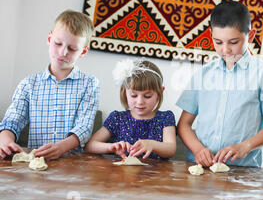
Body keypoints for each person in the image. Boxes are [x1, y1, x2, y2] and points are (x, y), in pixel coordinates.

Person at [176, 0, 263, 167]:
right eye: (218, 42)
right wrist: (198, 149)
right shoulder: (203, 74)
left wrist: (245, 147)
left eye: (234, 42)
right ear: (210, 35)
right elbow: (184, 124)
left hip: (243, 169)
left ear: (251, 35)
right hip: (200, 167)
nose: (225, 50)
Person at [0, 9, 100, 160]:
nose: (62, 52)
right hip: (35, 163)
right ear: (49, 38)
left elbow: (84, 127)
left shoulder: (90, 84)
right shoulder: (29, 84)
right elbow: (13, 120)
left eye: (72, 49)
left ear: (83, 51)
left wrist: (61, 148)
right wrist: (5, 139)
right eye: (58, 43)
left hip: (72, 164)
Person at [84, 58, 176, 160]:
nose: (140, 101)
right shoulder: (117, 118)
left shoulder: (165, 118)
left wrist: (152, 145)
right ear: (125, 93)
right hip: (122, 174)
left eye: (147, 96)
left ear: (160, 93)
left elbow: (171, 149)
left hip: (157, 174)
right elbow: (90, 146)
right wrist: (111, 147)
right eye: (133, 95)